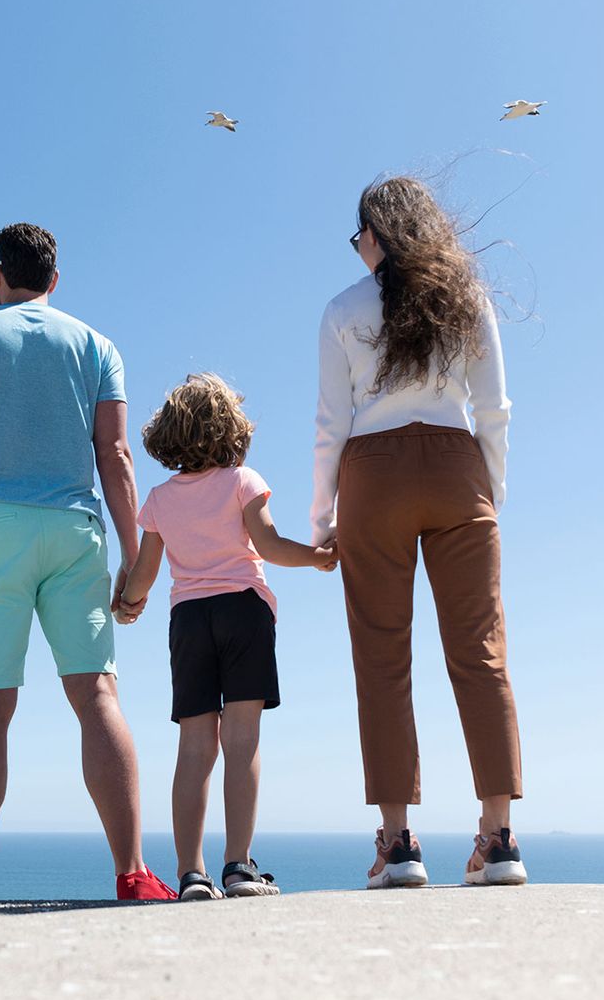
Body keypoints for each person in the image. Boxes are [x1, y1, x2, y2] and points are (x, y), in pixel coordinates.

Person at [0, 222, 177, 902]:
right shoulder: (96, 346)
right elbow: (114, 456)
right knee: (96, 696)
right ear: (54, 281)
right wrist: (135, 550)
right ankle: (134, 873)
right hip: (75, 529)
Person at [311, 176, 529, 888]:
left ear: (375, 234)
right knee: (480, 652)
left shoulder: (343, 309)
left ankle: (399, 845)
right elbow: (494, 408)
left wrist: (323, 517)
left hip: (372, 475)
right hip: (456, 463)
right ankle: (499, 840)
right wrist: (486, 491)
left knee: (382, 658)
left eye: (358, 237)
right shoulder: (468, 300)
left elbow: (330, 424)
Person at [114, 374, 337, 900]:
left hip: (189, 619)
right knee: (242, 742)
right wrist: (318, 557)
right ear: (231, 430)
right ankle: (238, 866)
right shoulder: (243, 481)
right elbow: (269, 544)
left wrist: (127, 605)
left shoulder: (160, 499)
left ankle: (192, 873)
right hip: (244, 612)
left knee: (194, 747)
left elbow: (145, 573)